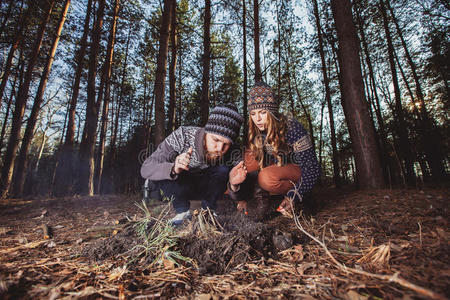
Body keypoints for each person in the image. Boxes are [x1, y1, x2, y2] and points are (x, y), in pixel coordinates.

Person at [228, 82, 320, 219]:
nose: (257, 119)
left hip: (299, 169)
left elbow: (313, 168)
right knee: (245, 161)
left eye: (263, 112)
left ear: (272, 112)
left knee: (266, 177)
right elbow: (259, 163)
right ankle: (261, 202)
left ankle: (301, 200)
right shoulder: (258, 133)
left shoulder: (293, 128)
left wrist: (294, 196)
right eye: (253, 113)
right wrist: (242, 198)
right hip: (277, 165)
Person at [141, 104, 243, 225]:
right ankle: (182, 211)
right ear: (206, 132)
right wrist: (173, 168)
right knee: (164, 170)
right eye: (215, 140)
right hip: (181, 186)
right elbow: (146, 168)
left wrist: (234, 185)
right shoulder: (182, 136)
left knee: (224, 169)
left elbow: (239, 191)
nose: (220, 148)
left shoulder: (234, 152)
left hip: (205, 188)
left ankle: (208, 212)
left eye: (226, 144)